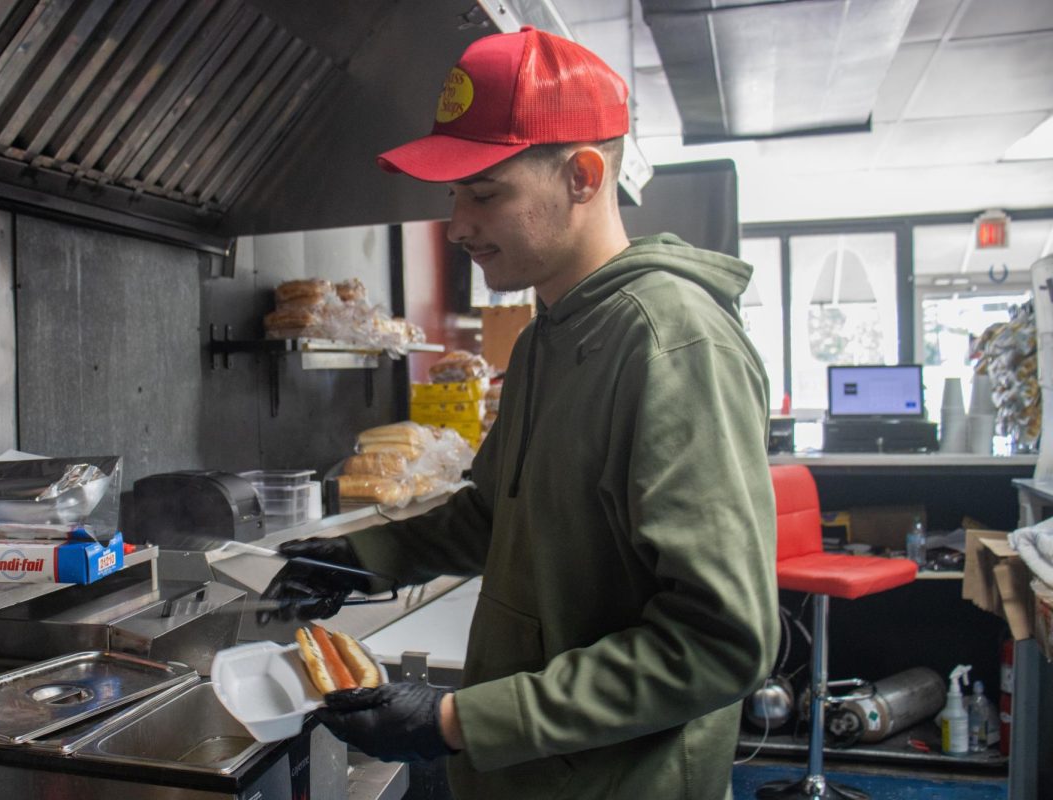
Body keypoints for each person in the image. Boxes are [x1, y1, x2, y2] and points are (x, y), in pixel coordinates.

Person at [260, 25, 779, 800]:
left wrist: (459, 722)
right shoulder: (549, 335)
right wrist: (367, 559)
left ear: (583, 175)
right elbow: (499, 518)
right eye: (453, 195)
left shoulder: (670, 346)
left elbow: (721, 642)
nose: (459, 224)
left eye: (486, 191)